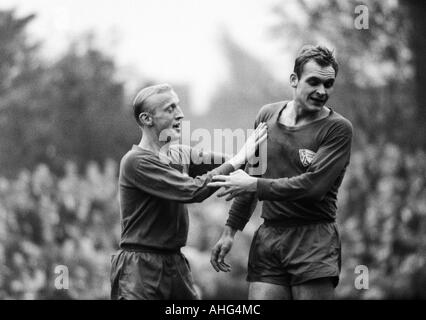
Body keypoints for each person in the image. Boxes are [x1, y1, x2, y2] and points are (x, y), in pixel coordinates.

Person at [208, 45, 353, 300]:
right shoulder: (267, 115)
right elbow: (253, 177)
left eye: (328, 84)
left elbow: (313, 187)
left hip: (313, 240)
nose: (322, 91)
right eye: (314, 82)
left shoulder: (338, 129)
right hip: (269, 238)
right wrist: (230, 231)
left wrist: (254, 185)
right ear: (294, 80)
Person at [110, 83, 267, 300]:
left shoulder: (179, 154)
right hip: (140, 267)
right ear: (147, 119)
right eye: (170, 109)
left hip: (174, 263)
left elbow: (234, 163)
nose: (180, 115)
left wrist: (262, 149)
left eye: (179, 107)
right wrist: (239, 158)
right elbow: (192, 191)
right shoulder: (136, 161)